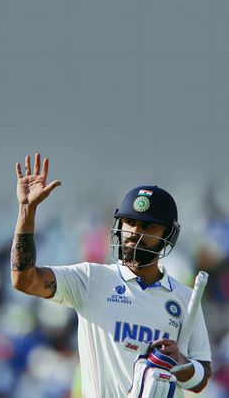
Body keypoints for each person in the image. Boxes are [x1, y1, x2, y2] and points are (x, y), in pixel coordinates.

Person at [11, 153, 212, 398]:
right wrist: (26, 213)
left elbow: (200, 380)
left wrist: (181, 363)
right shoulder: (90, 279)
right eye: (129, 222)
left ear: (168, 235)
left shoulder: (184, 299)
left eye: (148, 227)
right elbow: (25, 280)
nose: (134, 233)